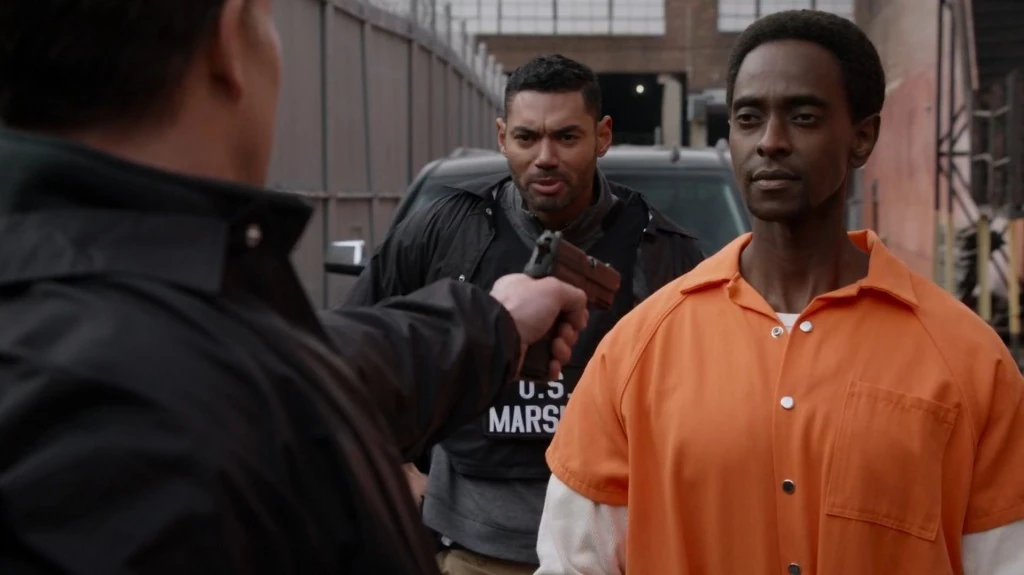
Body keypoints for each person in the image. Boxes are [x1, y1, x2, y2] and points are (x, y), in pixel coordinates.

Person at [0, 1, 591, 574]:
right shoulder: (146, 424)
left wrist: (495, 321)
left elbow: (301, 371)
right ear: (228, 40)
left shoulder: (120, 335)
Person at [536, 10, 1024, 575]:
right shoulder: (637, 352)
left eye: (804, 117)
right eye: (749, 118)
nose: (770, 142)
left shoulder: (967, 359)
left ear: (863, 136)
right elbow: (574, 562)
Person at [339, 53, 705, 574]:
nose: (545, 157)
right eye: (527, 137)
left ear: (602, 136)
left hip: (610, 556)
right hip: (470, 549)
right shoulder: (444, 231)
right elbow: (356, 357)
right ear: (502, 137)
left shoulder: (663, 249)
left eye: (567, 137)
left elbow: (706, 407)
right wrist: (396, 468)